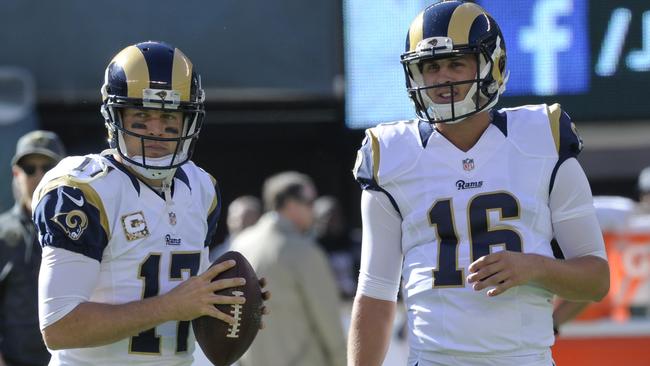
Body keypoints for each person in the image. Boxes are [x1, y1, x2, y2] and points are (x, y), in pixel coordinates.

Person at [348, 2, 610, 365]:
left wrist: (535, 267)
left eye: (456, 63)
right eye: (430, 67)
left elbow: (596, 280)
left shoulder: (542, 138)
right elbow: (375, 292)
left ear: (492, 65)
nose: (442, 79)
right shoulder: (391, 154)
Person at [31, 41, 267, 366]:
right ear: (114, 117)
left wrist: (225, 300)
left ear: (188, 122)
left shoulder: (201, 189)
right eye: (141, 117)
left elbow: (186, 297)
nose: (155, 131)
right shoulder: (83, 190)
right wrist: (170, 306)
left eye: (169, 117)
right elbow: (59, 327)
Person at [231, 172, 346, 366]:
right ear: (291, 205)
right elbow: (329, 324)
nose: (315, 210)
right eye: (310, 202)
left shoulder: (240, 245)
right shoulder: (305, 252)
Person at [0, 130, 65, 366]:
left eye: (47, 167)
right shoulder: (2, 233)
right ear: (17, 174)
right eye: (29, 169)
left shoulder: (88, 230)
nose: (38, 175)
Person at [313, 195, 360, 298]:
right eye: (326, 217)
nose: (333, 222)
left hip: (354, 299)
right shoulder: (312, 248)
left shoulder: (356, 243)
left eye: (336, 216)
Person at [209, 195, 262, 262]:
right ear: (228, 220)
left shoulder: (267, 252)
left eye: (247, 219)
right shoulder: (217, 256)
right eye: (235, 219)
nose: (240, 224)